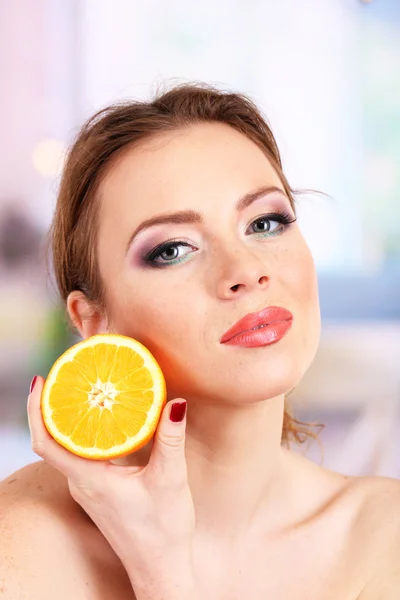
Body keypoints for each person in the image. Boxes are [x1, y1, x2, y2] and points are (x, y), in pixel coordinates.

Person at [0, 81, 399, 600]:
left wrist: (165, 575)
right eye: (172, 250)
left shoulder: (384, 536)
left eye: (265, 221)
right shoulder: (23, 539)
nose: (246, 271)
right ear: (94, 321)